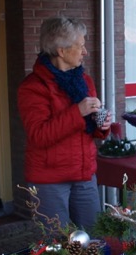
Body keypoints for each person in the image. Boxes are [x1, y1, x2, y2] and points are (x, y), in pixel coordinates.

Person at [17, 17, 111, 231]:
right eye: (81, 46)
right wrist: (77, 112)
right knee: (57, 246)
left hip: (84, 174)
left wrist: (102, 124)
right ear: (61, 50)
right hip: (49, 180)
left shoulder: (84, 81)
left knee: (93, 239)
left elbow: (90, 129)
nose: (85, 51)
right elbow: (39, 135)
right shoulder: (33, 87)